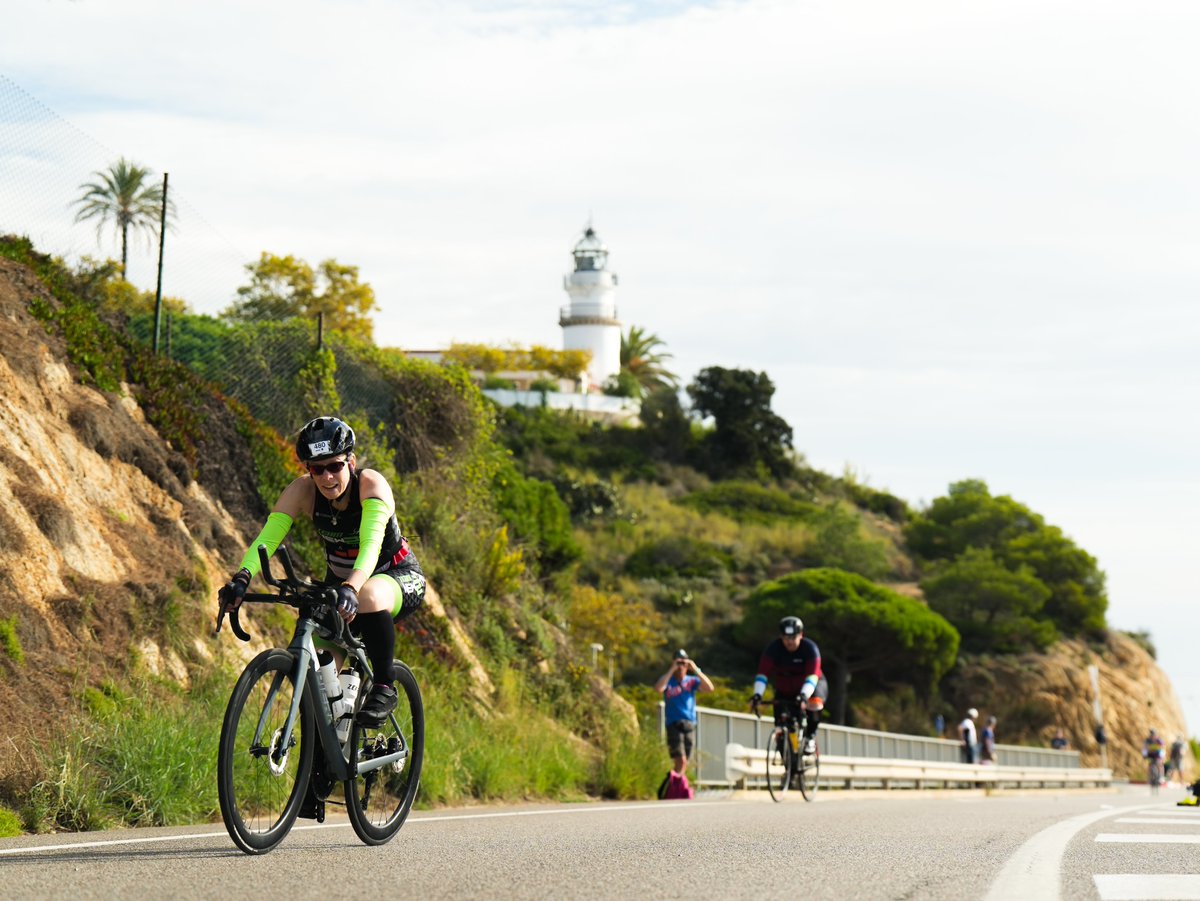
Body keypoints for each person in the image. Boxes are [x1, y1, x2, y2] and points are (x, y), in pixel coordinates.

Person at [217, 415, 427, 728]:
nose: (327, 477)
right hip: (341, 585)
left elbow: (370, 546)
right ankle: (322, 765)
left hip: (394, 575)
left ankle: (385, 686)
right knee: (317, 686)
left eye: (334, 466)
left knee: (368, 595)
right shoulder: (302, 491)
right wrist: (241, 578)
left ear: (351, 462)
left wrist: (352, 588)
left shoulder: (371, 485)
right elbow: (267, 539)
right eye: (317, 469)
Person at [750, 616, 828, 757]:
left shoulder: (810, 649)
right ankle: (788, 762)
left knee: (814, 704)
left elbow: (812, 676)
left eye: (793, 637)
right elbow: (762, 674)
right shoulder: (773, 649)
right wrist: (758, 694)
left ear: (801, 635)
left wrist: (804, 695)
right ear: (781, 637)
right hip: (786, 687)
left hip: (811, 683)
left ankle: (810, 736)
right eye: (786, 638)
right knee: (780, 722)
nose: (789, 642)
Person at [653, 649, 714, 778]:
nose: (681, 666)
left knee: (685, 760)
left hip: (689, 723)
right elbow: (658, 688)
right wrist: (671, 669)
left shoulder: (692, 681)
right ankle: (677, 784)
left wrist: (695, 668)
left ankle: (675, 784)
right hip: (673, 723)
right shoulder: (668, 681)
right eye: (678, 663)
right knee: (681, 760)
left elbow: (709, 688)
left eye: (683, 663)